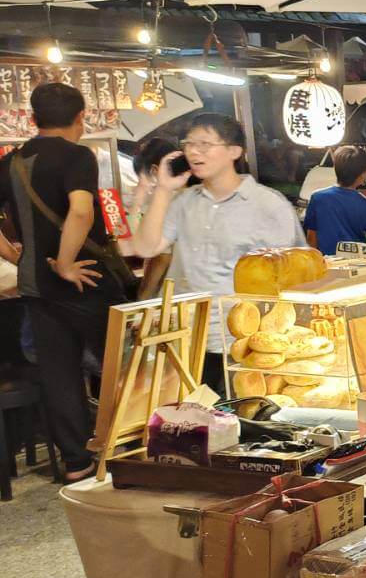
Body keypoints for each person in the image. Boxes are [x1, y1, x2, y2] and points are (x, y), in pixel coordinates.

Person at [0, 83, 129, 481]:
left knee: (59, 373)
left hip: (37, 288)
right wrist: (67, 264)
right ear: (80, 117)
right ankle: (127, 450)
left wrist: (15, 257)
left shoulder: (11, 162)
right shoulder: (78, 156)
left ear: (33, 119)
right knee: (120, 365)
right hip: (85, 280)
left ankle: (76, 463)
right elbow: (80, 212)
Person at [131, 113, 305, 383]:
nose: (194, 152)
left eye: (205, 144)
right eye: (189, 144)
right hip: (185, 341)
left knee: (237, 422)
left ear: (234, 151)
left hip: (239, 345)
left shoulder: (267, 205)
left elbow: (291, 278)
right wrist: (163, 190)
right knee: (188, 422)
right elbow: (146, 247)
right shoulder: (182, 202)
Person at [303, 146, 366, 255]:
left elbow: (311, 236)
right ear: (363, 174)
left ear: (335, 168)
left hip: (325, 262)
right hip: (357, 263)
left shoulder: (317, 198)